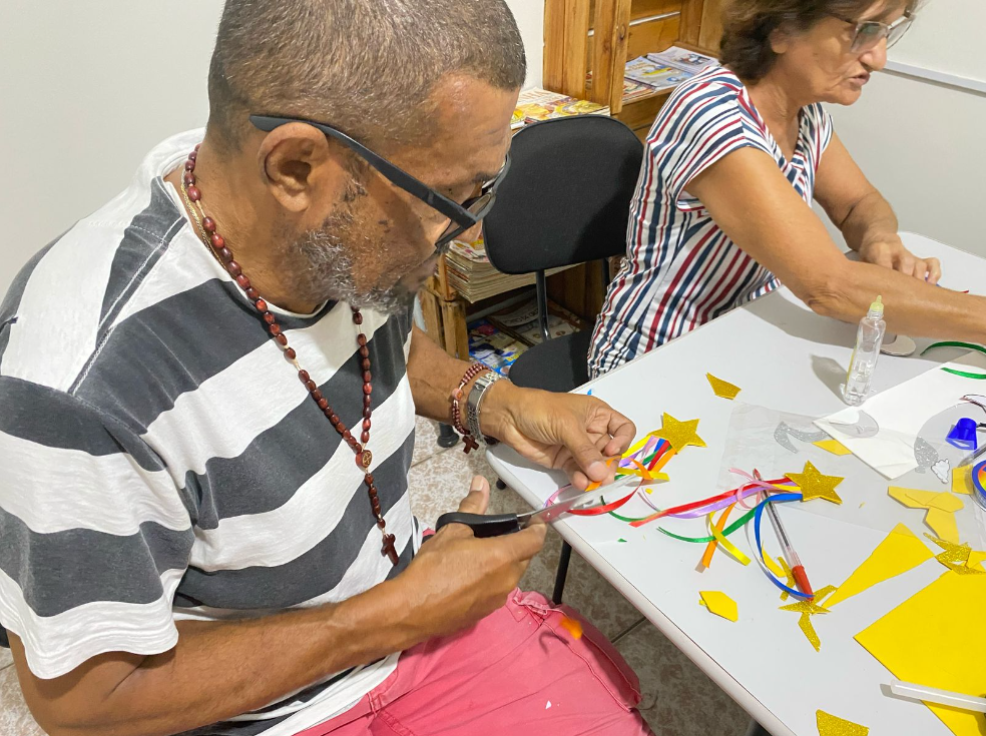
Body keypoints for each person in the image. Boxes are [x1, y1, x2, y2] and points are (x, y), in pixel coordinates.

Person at [0, 2, 653, 734]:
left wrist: (490, 401)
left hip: (407, 629)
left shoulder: (323, 236)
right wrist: (381, 620)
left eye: (483, 191)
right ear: (295, 166)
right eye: (453, 199)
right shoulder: (79, 384)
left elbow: (373, 342)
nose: (466, 230)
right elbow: (87, 704)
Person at [589, 0, 986, 377]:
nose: (877, 58)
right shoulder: (711, 114)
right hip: (656, 353)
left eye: (886, 32)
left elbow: (856, 203)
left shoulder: (805, 111)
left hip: (748, 331)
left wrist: (878, 237)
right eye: (864, 31)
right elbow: (828, 287)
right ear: (781, 30)